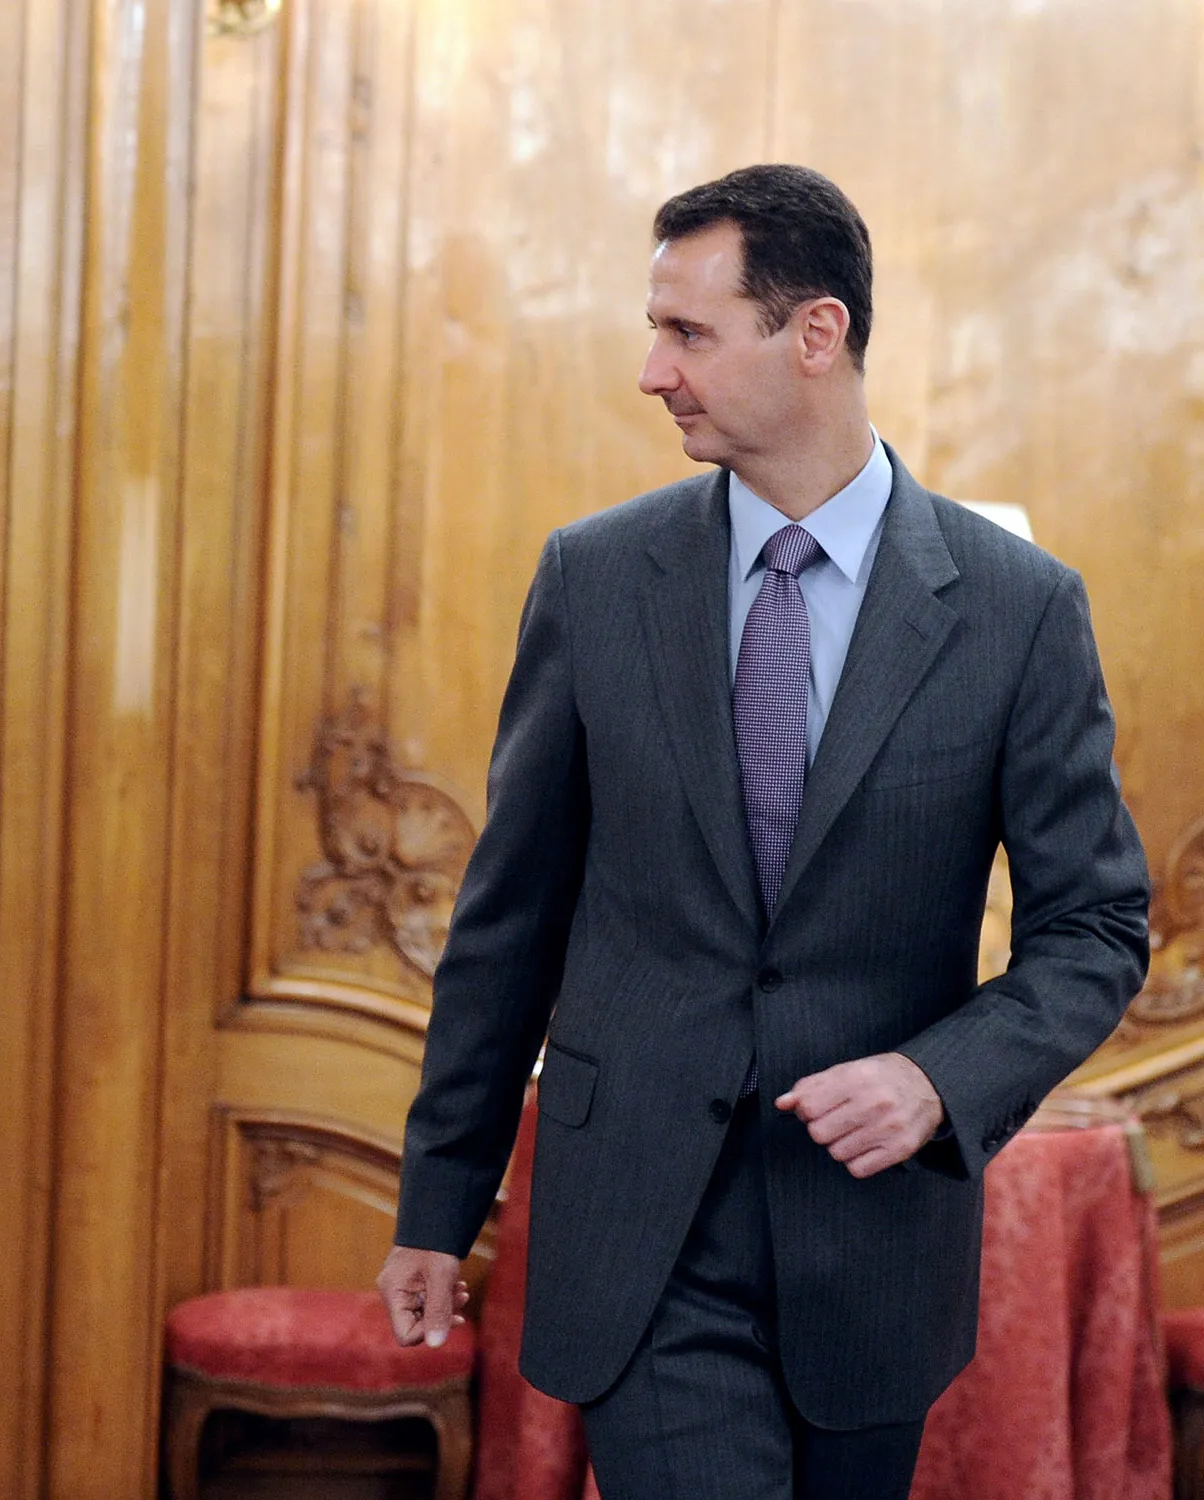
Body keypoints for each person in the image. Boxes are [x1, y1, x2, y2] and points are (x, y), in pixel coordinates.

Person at [376, 164, 1151, 1500]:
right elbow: (512, 921)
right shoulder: (597, 579)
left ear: (816, 333)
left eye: (687, 332)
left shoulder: (1017, 609)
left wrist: (936, 1077)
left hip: (874, 1244)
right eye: (654, 329)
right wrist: (438, 1209)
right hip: (642, 1232)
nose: (651, 371)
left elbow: (1095, 929)